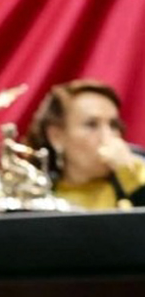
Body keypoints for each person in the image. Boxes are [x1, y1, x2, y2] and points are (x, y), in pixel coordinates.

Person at [25, 79, 145, 210]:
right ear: (56, 136)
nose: (108, 137)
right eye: (91, 125)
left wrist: (130, 175)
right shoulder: (34, 193)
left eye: (113, 125)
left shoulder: (138, 173)